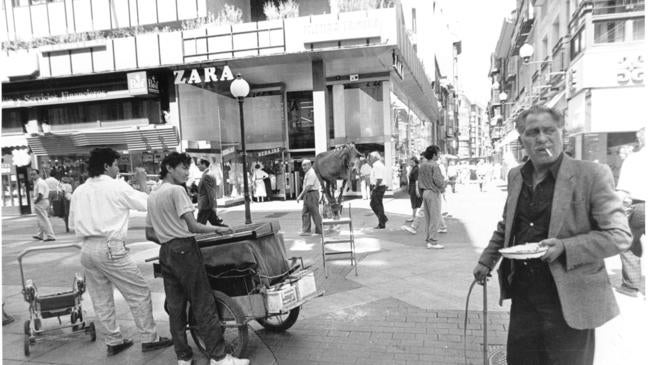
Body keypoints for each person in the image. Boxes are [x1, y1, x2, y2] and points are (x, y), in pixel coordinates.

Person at [473, 105, 631, 364]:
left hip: (570, 298)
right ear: (522, 139)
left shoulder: (591, 174)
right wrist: (486, 260)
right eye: (533, 132)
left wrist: (565, 247)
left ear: (562, 133)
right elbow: (507, 225)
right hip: (524, 296)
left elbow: (619, 235)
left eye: (549, 130)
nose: (542, 138)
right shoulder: (516, 176)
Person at [145, 152, 249, 365]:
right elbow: (193, 226)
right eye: (183, 168)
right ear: (169, 168)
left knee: (175, 308)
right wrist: (216, 230)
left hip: (165, 251)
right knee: (203, 302)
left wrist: (169, 240)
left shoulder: (153, 195)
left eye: (187, 168)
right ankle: (219, 358)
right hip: (185, 249)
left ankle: (183, 358)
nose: (186, 172)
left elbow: (149, 233)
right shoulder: (176, 191)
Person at [68, 148, 172, 356]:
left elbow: (72, 224)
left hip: (87, 248)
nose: (118, 169)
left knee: (101, 298)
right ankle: (149, 337)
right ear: (106, 166)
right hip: (110, 246)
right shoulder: (116, 187)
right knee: (139, 292)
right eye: (116, 165)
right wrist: (143, 182)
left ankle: (113, 341)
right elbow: (149, 204)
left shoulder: (80, 190)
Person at [616, 126, 646, 298]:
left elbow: (623, 192)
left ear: (640, 138)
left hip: (640, 206)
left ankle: (631, 286)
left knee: (627, 243)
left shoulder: (633, 159)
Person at [418, 145, 446, 249]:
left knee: (428, 218)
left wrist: (422, 193)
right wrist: (443, 187)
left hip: (425, 192)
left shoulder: (423, 165)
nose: (439, 155)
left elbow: (419, 181)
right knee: (435, 218)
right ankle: (433, 241)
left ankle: (429, 239)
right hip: (433, 192)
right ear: (434, 155)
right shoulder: (435, 166)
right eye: (438, 153)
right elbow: (438, 181)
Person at [296, 159, 322, 236]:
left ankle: (320, 230)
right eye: (302, 165)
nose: (303, 167)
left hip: (312, 194)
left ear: (310, 165)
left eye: (305, 165)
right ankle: (306, 230)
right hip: (308, 194)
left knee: (315, 213)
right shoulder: (308, 173)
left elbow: (308, 186)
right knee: (305, 213)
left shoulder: (311, 173)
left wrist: (300, 196)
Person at [196, 158, 224, 227]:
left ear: (204, 164)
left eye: (199, 164)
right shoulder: (207, 174)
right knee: (217, 224)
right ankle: (229, 232)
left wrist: (213, 207)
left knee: (199, 227)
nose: (198, 166)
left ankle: (230, 232)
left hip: (205, 206)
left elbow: (211, 192)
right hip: (207, 205)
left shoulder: (207, 176)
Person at [30, 169, 56, 241]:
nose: (32, 176)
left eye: (34, 174)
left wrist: (36, 201)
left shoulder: (40, 183)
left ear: (38, 174)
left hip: (41, 202)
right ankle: (40, 234)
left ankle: (50, 236)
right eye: (31, 174)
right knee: (40, 219)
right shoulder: (38, 182)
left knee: (43, 219)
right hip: (42, 201)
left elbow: (40, 194)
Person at [368, 151, 388, 229]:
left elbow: (379, 179)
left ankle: (382, 222)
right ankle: (383, 219)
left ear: (375, 157)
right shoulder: (379, 165)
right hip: (380, 187)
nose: (370, 159)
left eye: (371, 157)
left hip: (378, 187)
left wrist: (374, 188)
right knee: (376, 204)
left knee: (376, 205)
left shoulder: (377, 165)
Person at [405, 156, 422, 223]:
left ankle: (413, 217)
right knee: (415, 201)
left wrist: (417, 190)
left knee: (414, 201)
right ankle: (414, 216)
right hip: (412, 186)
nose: (410, 163)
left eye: (412, 161)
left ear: (415, 162)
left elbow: (417, 180)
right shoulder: (413, 168)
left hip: (414, 186)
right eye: (410, 161)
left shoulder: (416, 169)